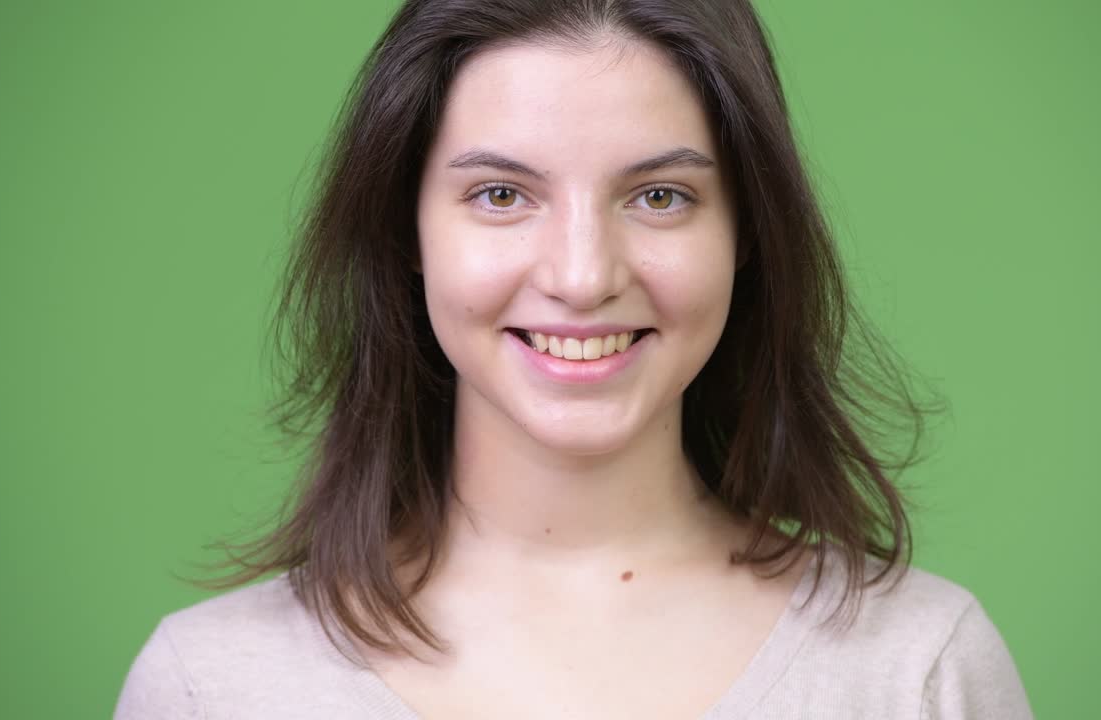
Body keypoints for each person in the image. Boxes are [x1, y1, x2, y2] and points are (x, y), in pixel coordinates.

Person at [114, 0, 1033, 717]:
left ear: (748, 231)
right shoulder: (211, 689)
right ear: (407, 230)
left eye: (661, 195)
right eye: (503, 193)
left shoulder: (918, 671)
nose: (583, 276)